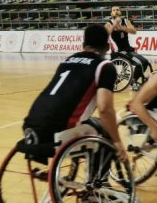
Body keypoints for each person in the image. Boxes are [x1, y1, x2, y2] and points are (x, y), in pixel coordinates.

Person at [22, 24, 128, 164]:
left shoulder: (67, 60)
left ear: (84, 44)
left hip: (31, 124)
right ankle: (98, 178)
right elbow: (104, 109)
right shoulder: (104, 66)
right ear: (107, 46)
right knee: (104, 131)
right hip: (57, 130)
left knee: (89, 122)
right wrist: (118, 141)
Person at [106, 6, 151, 89]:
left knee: (145, 62)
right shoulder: (109, 23)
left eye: (117, 10)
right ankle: (132, 82)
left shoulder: (126, 21)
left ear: (120, 12)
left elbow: (134, 31)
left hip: (128, 49)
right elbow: (106, 34)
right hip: (117, 51)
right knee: (139, 63)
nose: (116, 11)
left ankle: (134, 80)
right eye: (114, 10)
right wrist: (115, 24)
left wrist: (122, 28)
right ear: (111, 13)